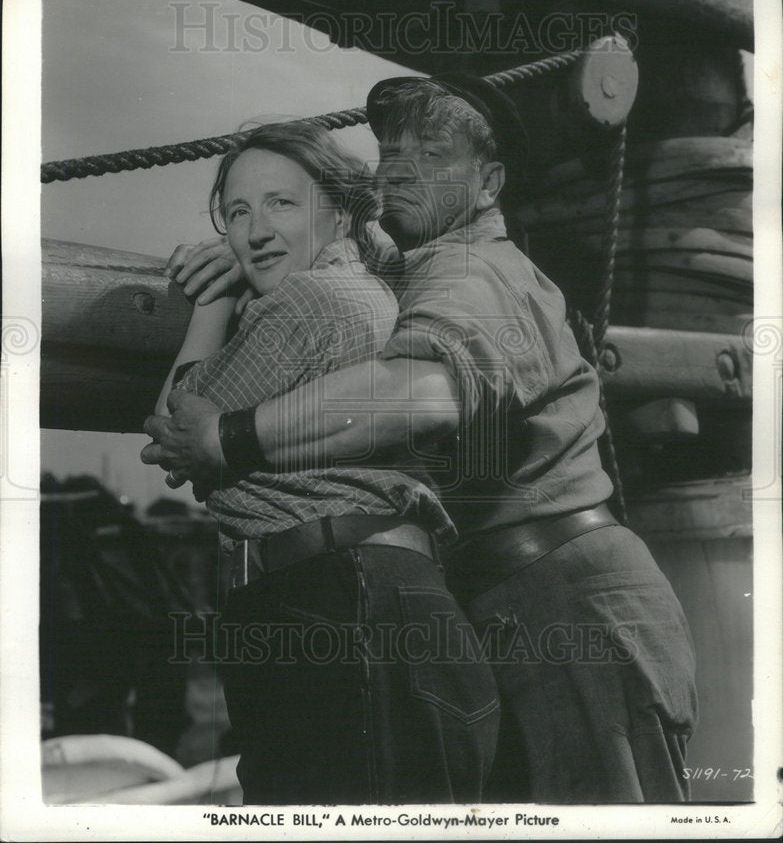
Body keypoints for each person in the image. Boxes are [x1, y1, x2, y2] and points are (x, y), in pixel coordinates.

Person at [143, 81, 698, 804]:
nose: (400, 171)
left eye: (432, 156)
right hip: (500, 600)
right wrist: (242, 254)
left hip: (564, 607)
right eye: (391, 154)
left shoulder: (474, 274)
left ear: (488, 184)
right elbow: (347, 248)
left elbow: (420, 393)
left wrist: (227, 436)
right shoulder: (414, 268)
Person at [142, 120, 499, 805]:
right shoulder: (371, 287)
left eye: (281, 203)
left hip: (333, 605)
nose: (254, 233)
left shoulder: (308, 300)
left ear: (339, 213)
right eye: (237, 213)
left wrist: (214, 301)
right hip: (377, 601)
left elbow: (172, 433)